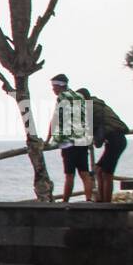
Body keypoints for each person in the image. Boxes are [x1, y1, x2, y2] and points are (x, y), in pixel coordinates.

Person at [46, 73, 94, 202]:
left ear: (59, 86)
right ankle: (89, 199)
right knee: (84, 173)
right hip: (82, 140)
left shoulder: (62, 98)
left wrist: (48, 139)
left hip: (69, 142)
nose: (53, 89)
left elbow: (56, 119)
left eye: (54, 86)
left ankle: (65, 201)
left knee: (69, 174)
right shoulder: (79, 96)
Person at [78, 87, 130, 203]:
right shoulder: (97, 105)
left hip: (115, 140)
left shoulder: (90, 108)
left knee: (107, 174)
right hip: (115, 140)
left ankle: (107, 203)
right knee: (100, 171)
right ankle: (101, 200)